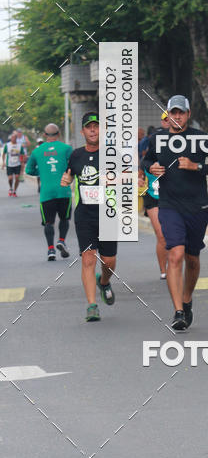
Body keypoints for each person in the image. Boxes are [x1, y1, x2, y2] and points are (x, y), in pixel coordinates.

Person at [142, 95, 208, 331]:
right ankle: (177, 311)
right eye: (173, 113)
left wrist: (196, 166)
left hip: (197, 207)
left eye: (181, 113)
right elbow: (146, 163)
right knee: (175, 253)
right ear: (167, 114)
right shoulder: (158, 139)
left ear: (188, 114)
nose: (177, 117)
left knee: (192, 259)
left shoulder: (201, 138)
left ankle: (186, 301)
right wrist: (150, 167)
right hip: (168, 205)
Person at [61, 111, 117, 322]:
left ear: (102, 129)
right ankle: (92, 305)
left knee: (109, 260)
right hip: (84, 215)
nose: (93, 130)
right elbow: (68, 175)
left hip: (108, 214)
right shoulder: (76, 155)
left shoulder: (113, 154)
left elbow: (129, 175)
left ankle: (103, 282)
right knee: (88, 258)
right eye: (88, 127)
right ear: (83, 131)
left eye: (96, 126)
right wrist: (65, 180)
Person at [25, 124, 73, 261]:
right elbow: (74, 165)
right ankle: (62, 240)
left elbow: (28, 170)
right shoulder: (66, 149)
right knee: (64, 218)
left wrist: (42, 172)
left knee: (48, 222)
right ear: (58, 134)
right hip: (63, 191)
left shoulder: (37, 151)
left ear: (45, 135)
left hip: (46, 193)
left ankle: (51, 250)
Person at [2, 131, 26, 197]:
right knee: (10, 178)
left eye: (15, 137)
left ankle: (14, 191)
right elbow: (4, 154)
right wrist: (3, 162)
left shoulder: (19, 146)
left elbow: (23, 154)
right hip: (9, 164)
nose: (14, 139)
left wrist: (22, 162)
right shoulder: (7, 145)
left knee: (17, 177)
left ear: (16, 138)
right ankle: (10, 188)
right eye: (12, 137)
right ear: (11, 138)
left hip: (17, 164)